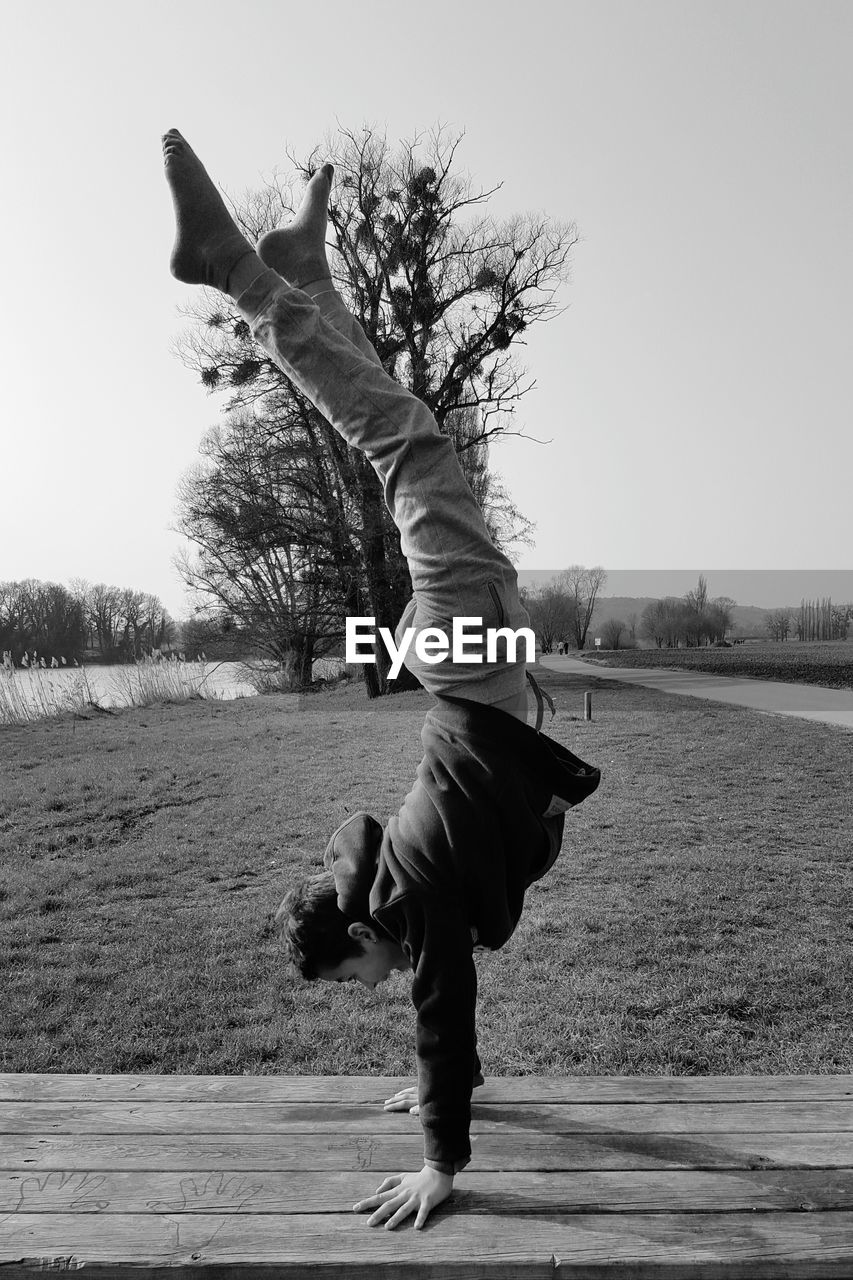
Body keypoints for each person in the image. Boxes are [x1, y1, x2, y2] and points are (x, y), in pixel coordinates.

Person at [162, 129, 600, 1231]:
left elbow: (439, 1000)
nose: (365, 993)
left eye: (348, 980)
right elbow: (427, 986)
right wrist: (439, 1083)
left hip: (465, 666)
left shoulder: (408, 896)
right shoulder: (395, 886)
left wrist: (440, 1158)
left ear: (359, 937)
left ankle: (236, 272)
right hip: (474, 669)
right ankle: (304, 278)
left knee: (403, 443)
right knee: (410, 443)